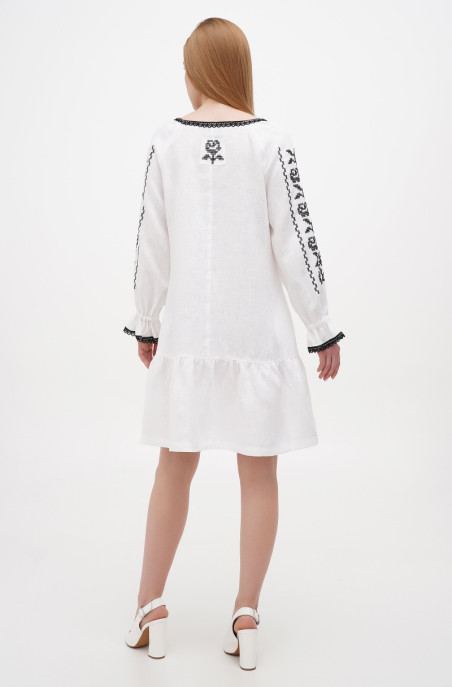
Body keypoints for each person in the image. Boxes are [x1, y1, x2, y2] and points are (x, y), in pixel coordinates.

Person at [123, 17, 345, 671]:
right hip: (257, 338)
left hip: (189, 335)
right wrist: (320, 326)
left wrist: (147, 320)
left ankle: (149, 605)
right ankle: (246, 613)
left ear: (196, 71)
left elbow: (151, 241)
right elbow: (296, 238)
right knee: (259, 473)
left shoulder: (167, 141)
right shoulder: (270, 141)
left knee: (174, 466)